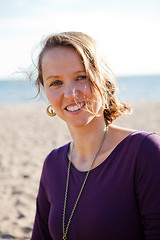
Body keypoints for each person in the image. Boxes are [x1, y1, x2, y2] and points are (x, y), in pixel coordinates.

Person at [30, 31, 160, 240]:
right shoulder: (53, 163)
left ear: (104, 81)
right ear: (44, 89)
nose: (71, 93)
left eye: (82, 77)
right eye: (56, 82)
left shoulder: (145, 151)